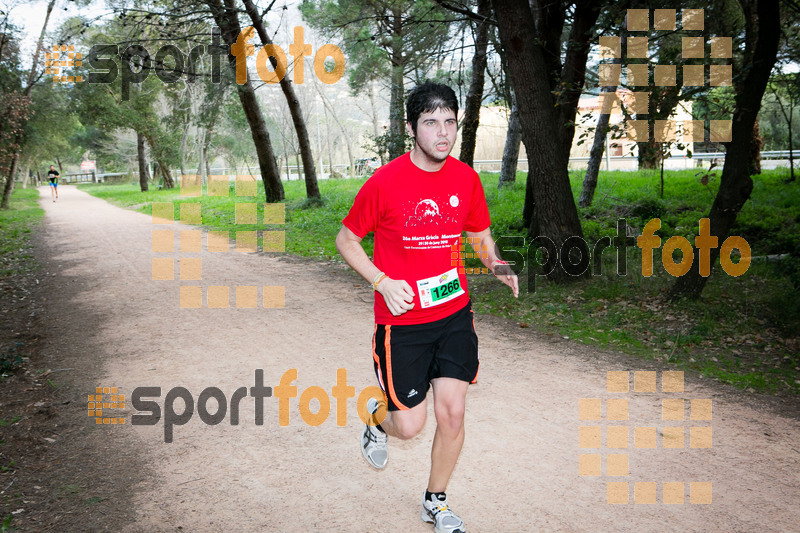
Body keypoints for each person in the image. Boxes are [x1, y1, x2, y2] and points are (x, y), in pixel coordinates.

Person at [335, 81, 518, 533]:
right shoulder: (385, 182)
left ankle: (435, 502)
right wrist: (381, 280)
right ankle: (378, 418)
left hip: (453, 312)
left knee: (452, 411)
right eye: (431, 122)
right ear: (413, 128)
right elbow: (347, 240)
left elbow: (477, 232)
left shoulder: (465, 179)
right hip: (402, 324)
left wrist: (495, 262)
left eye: (450, 122)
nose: (443, 132)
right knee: (410, 426)